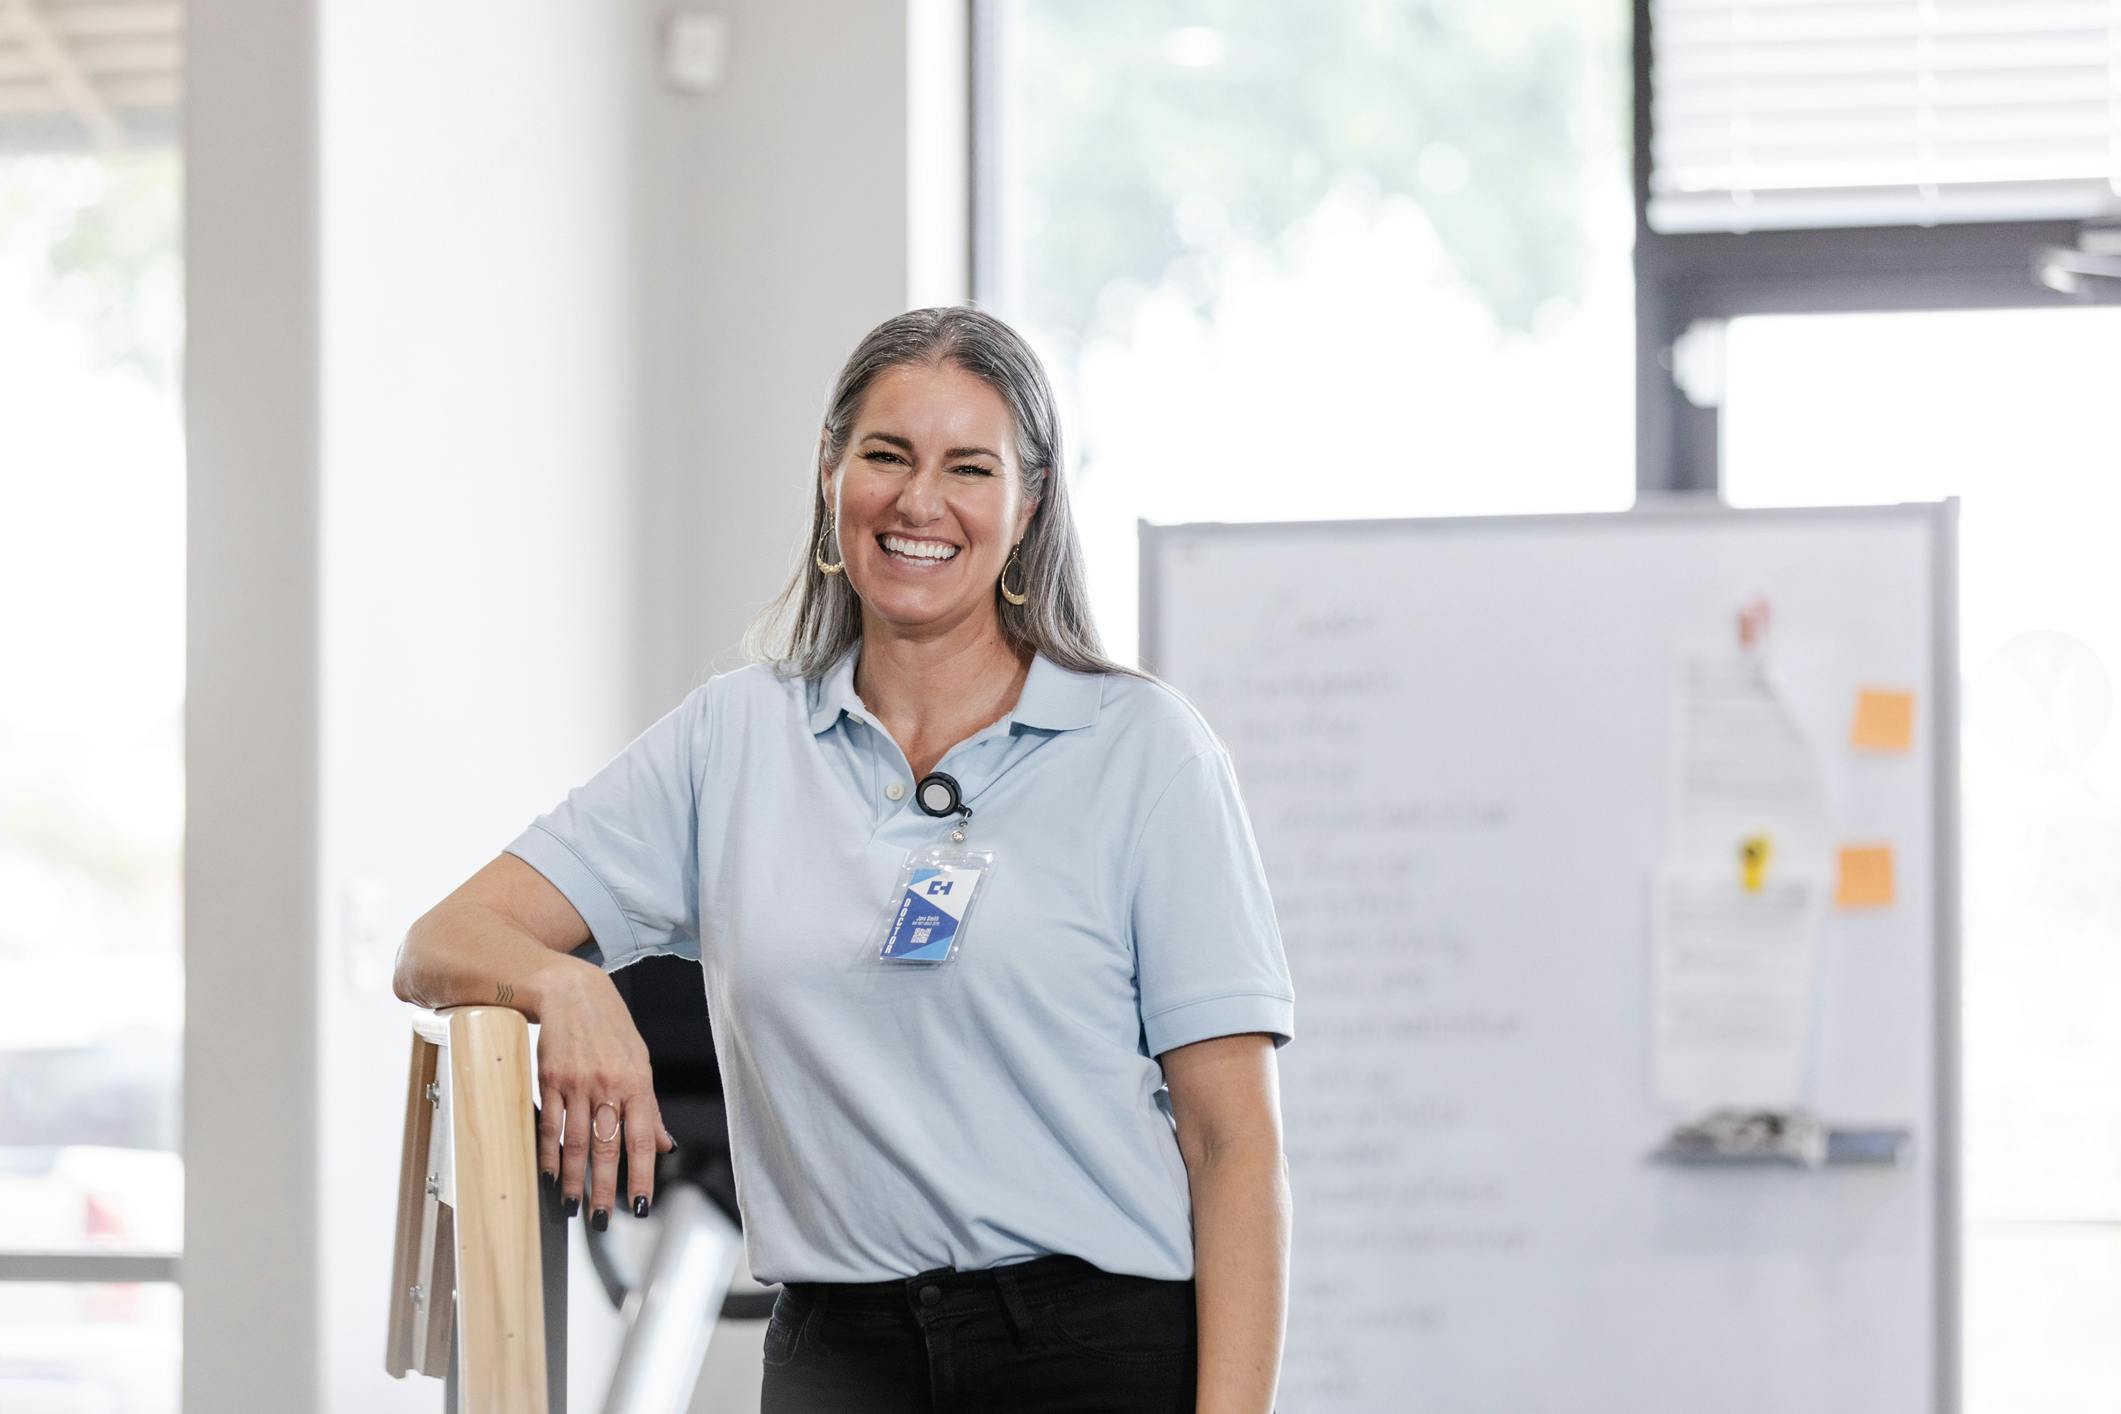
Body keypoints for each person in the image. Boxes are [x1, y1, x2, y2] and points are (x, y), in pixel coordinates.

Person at [393, 306, 1295, 1412]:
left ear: (1031, 505)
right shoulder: (733, 739)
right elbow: (439, 941)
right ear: (832, 475)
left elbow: (1232, 1140)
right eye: (886, 454)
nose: (921, 501)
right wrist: (568, 983)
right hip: (839, 1354)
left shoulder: (1144, 750)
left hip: (1091, 1349)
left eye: (970, 466)